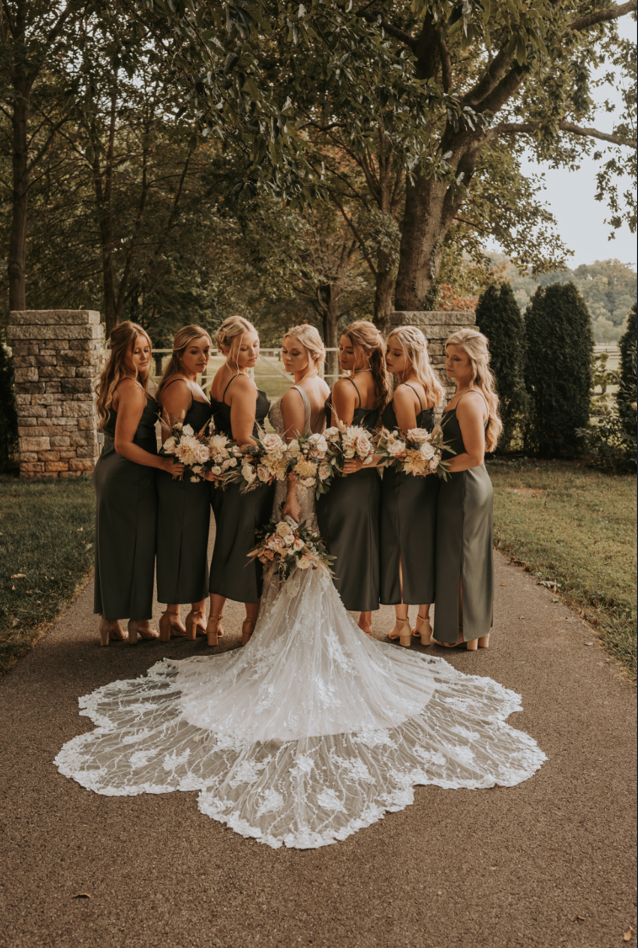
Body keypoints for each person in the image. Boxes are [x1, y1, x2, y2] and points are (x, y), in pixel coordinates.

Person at [57, 323, 546, 850]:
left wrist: (292, 496)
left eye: (291, 352)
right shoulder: (321, 389)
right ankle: (303, 624)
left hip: (302, 489)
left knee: (296, 568)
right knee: (309, 570)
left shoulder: (301, 393)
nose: (281, 358)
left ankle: (262, 627)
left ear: (312, 355)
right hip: (322, 486)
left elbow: (295, 457)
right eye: (279, 350)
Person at [93, 321, 183, 646]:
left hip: (115, 472)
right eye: (137, 350)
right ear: (122, 353)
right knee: (138, 548)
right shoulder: (131, 388)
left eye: (146, 349)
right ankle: (139, 622)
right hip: (130, 474)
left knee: (116, 547)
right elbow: (124, 444)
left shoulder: (123, 382)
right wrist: (162, 462)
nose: (144, 355)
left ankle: (110, 621)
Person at [316, 321, 387, 634]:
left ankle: (334, 619)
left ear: (367, 352)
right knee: (366, 545)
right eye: (341, 348)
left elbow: (335, 439)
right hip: (370, 479)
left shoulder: (345, 387)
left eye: (349, 349)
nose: (342, 355)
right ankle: (366, 621)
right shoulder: (382, 383)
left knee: (338, 544)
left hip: (344, 478)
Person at [433, 328, 502, 650]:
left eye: (456, 359)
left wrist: (432, 466)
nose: (449, 363)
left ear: (473, 363)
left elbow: (475, 455)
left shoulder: (470, 400)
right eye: (447, 357)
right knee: (467, 558)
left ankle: (460, 631)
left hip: (464, 488)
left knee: (460, 559)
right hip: (463, 485)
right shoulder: (462, 395)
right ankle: (473, 629)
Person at [208, 316, 274, 646]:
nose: (252, 352)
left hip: (225, 475)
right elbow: (243, 436)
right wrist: (278, 454)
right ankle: (250, 624)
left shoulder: (220, 377)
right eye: (243, 347)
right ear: (224, 348)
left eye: (256, 345)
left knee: (226, 543)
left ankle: (213, 622)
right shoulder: (243, 383)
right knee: (251, 547)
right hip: (246, 476)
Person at [380, 326, 445, 647]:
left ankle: (403, 625)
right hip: (427, 482)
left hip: (404, 481)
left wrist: (375, 452)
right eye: (388, 351)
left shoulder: (404, 392)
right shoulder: (431, 388)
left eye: (395, 352)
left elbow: (408, 447)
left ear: (413, 355)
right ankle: (424, 623)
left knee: (401, 549)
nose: (388, 357)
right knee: (422, 548)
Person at [155, 327, 213, 642]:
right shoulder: (178, 386)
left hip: (193, 479)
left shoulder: (191, 382)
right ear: (179, 354)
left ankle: (184, 614)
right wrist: (203, 469)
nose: (203, 357)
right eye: (195, 351)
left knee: (190, 546)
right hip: (181, 480)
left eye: (206, 350)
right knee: (181, 546)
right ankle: (179, 615)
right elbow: (172, 444)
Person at [270, 324, 330, 523]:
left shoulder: (295, 395)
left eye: (295, 353)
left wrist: (291, 496)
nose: (286, 358)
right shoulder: (322, 385)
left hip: (294, 484)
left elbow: (294, 451)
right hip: (314, 479)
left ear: (314, 354)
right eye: (285, 351)